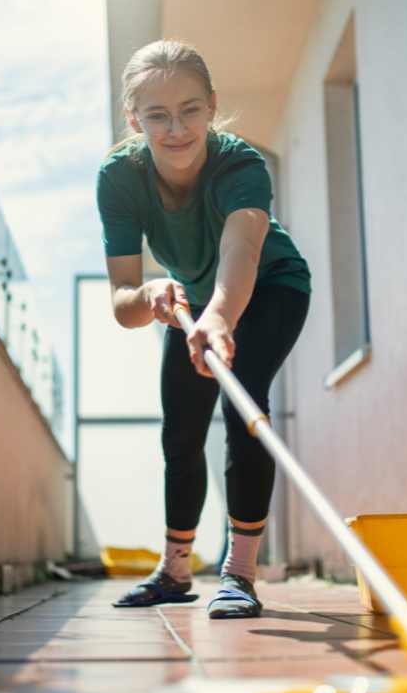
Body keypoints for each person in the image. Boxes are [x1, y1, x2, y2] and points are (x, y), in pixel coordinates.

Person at [96, 39, 311, 619]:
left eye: (190, 109)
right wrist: (150, 294)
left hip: (270, 290)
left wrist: (219, 316)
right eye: (157, 115)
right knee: (181, 431)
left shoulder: (240, 165)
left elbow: (240, 252)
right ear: (133, 117)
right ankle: (175, 570)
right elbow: (123, 303)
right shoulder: (119, 178)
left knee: (246, 406)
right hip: (188, 300)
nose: (175, 129)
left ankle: (239, 573)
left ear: (213, 105)